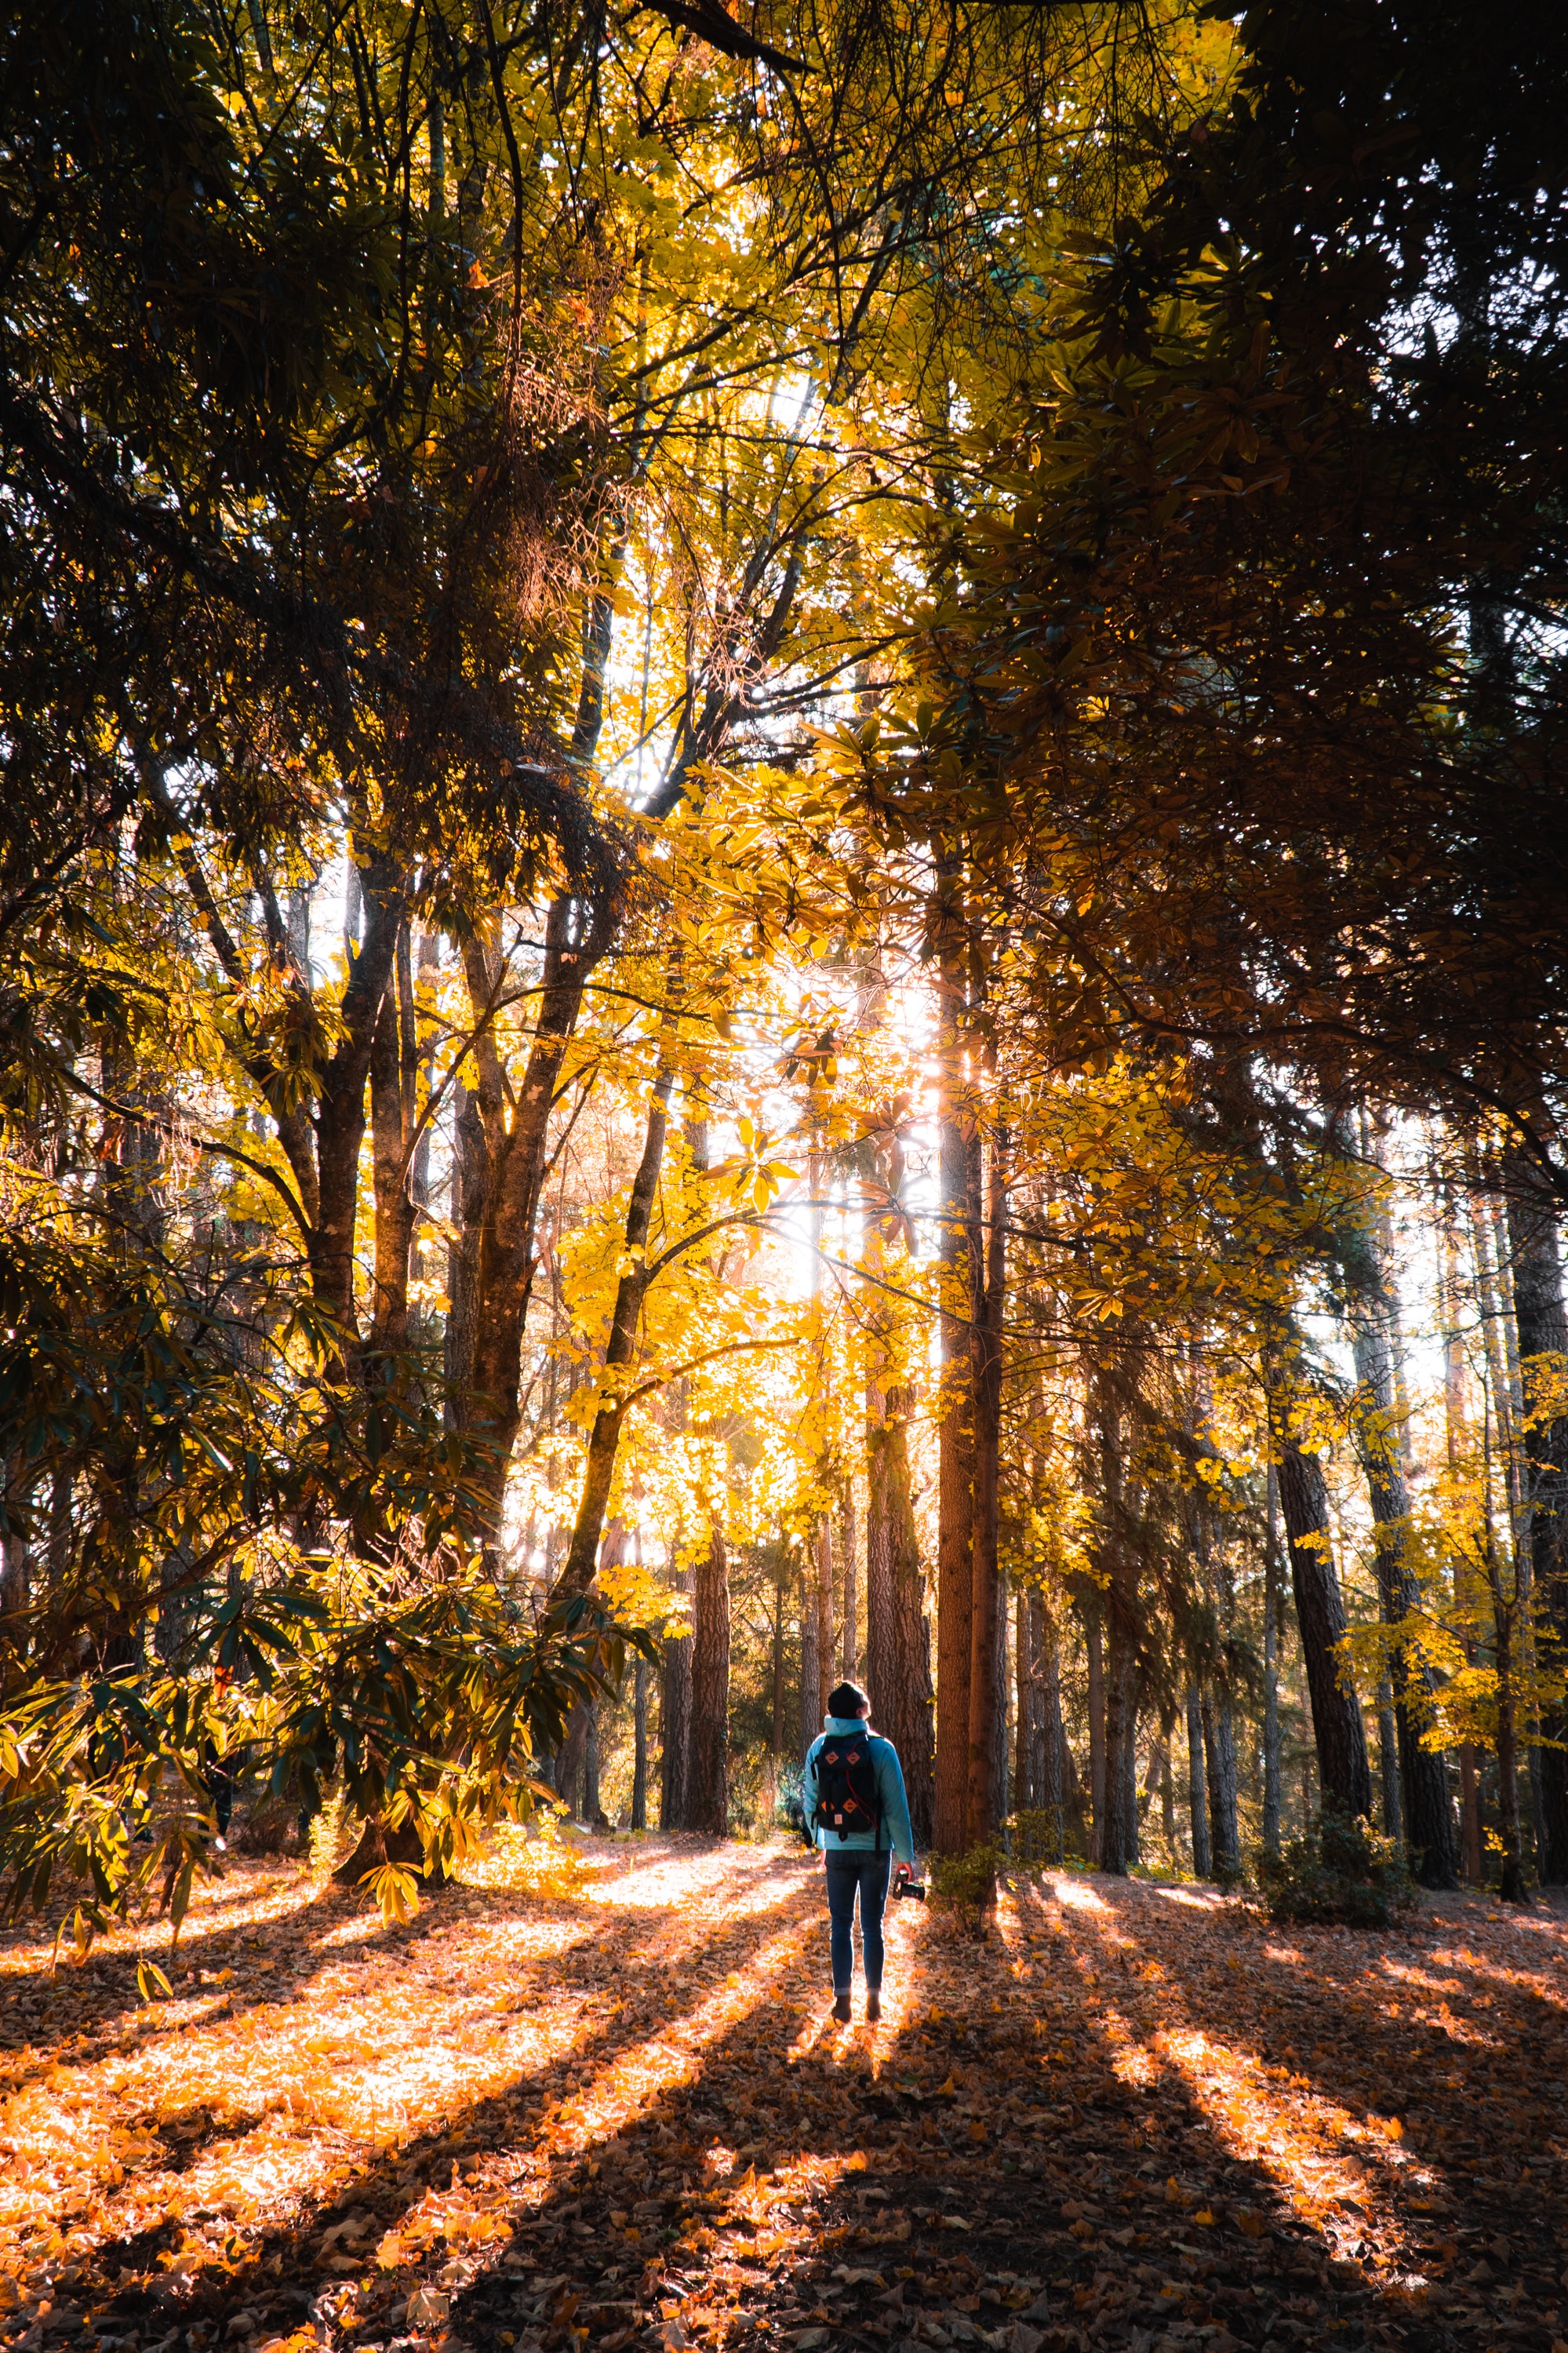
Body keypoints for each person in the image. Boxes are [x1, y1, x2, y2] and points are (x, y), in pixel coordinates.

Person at [801, 1679, 915, 2023]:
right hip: (876, 1849)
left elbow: (810, 1801)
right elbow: (896, 1808)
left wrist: (822, 1840)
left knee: (840, 1924)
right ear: (860, 1711)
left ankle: (842, 2002)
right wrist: (906, 1857)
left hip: (836, 1848)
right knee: (872, 1926)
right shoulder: (881, 1749)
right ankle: (874, 2001)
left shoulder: (819, 1747)